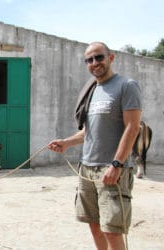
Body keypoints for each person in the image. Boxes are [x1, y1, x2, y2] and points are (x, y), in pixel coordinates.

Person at [48, 42, 142, 250]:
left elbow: (133, 128)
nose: (94, 63)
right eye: (89, 60)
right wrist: (66, 143)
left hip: (112, 169)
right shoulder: (92, 90)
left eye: (99, 57)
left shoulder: (126, 86)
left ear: (111, 57)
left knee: (112, 229)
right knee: (94, 224)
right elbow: (89, 132)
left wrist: (116, 165)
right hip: (87, 169)